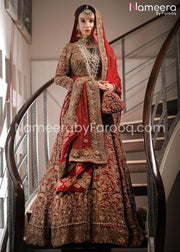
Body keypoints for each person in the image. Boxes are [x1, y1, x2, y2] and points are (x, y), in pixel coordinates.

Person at [26, 5, 145, 248]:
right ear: (76, 23)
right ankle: (69, 227)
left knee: (106, 170)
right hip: (77, 113)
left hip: (102, 116)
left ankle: (105, 226)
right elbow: (60, 77)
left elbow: (114, 79)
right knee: (69, 164)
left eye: (90, 21)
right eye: (82, 21)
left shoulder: (105, 49)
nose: (87, 25)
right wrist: (83, 84)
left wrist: (110, 86)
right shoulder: (69, 49)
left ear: (96, 22)